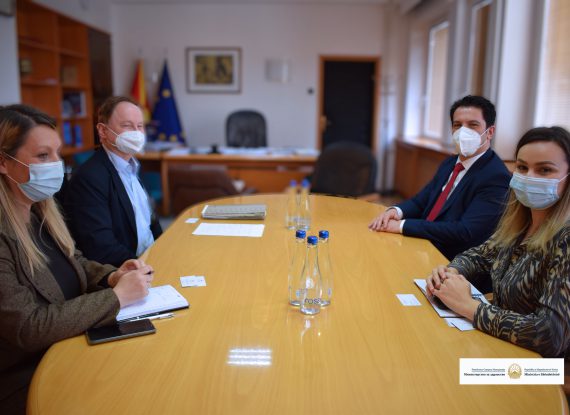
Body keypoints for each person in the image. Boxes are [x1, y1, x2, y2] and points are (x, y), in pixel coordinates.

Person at [0, 104, 154, 413]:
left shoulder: (40, 209)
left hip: (73, 340)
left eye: (57, 153)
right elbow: (28, 327)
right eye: (42, 156)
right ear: (4, 162)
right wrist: (116, 297)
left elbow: (76, 260)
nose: (56, 165)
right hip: (30, 373)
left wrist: (112, 276)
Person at [427, 126, 570, 357]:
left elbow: (550, 335)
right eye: (522, 167)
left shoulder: (565, 237)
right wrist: (451, 272)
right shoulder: (520, 223)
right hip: (503, 347)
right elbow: (479, 255)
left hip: (544, 368)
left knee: (452, 369)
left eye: (544, 170)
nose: (529, 177)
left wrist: (470, 307)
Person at [369, 95, 511, 261]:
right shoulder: (450, 162)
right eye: (457, 125)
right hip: (421, 244)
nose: (463, 131)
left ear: (490, 132)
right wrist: (395, 211)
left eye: (473, 125)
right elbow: (421, 201)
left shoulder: (496, 177)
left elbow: (465, 231)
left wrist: (402, 226)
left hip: (451, 261)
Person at [64, 96, 162, 267]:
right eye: (127, 125)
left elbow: (149, 222)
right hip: (129, 269)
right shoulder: (89, 178)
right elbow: (101, 247)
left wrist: (165, 251)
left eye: (140, 126)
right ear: (103, 131)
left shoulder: (133, 167)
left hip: (153, 258)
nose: (136, 133)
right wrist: (145, 267)